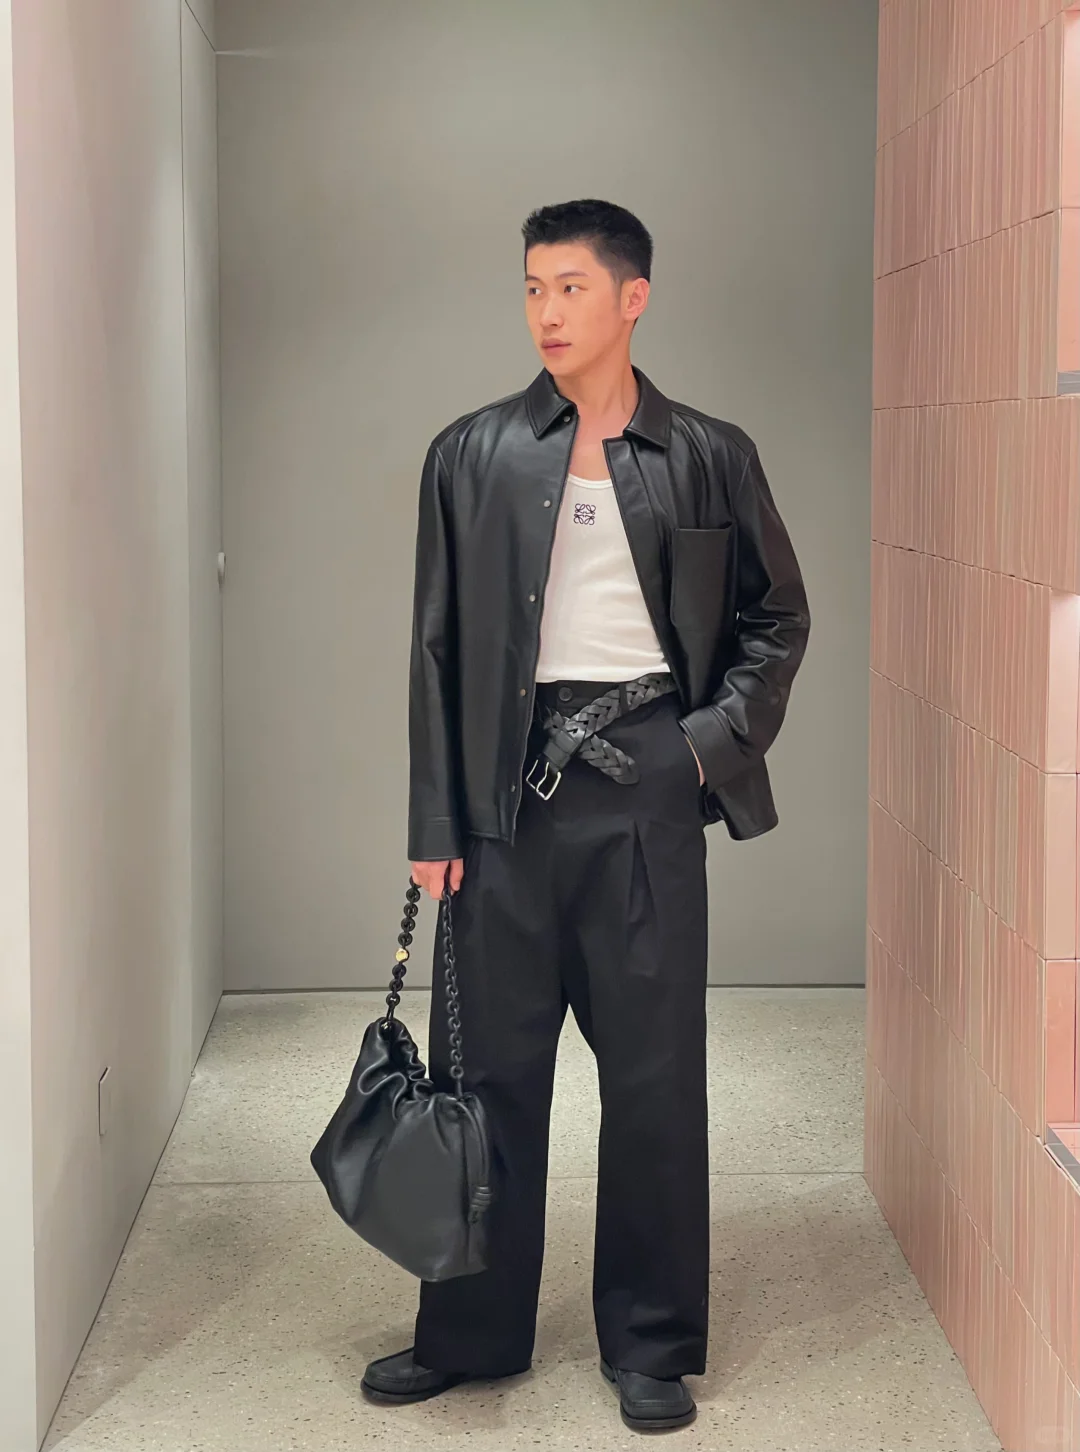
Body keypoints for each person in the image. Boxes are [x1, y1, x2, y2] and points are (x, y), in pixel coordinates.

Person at [362, 199, 810, 1433]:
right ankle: (468, 1332)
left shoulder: (710, 452)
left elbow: (778, 617)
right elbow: (436, 648)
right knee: (485, 1077)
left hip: (647, 799)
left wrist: (705, 750)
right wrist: (434, 822)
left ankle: (652, 1341)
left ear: (632, 298)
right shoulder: (471, 453)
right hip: (502, 809)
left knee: (656, 1084)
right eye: (531, 289)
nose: (547, 313)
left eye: (570, 287)